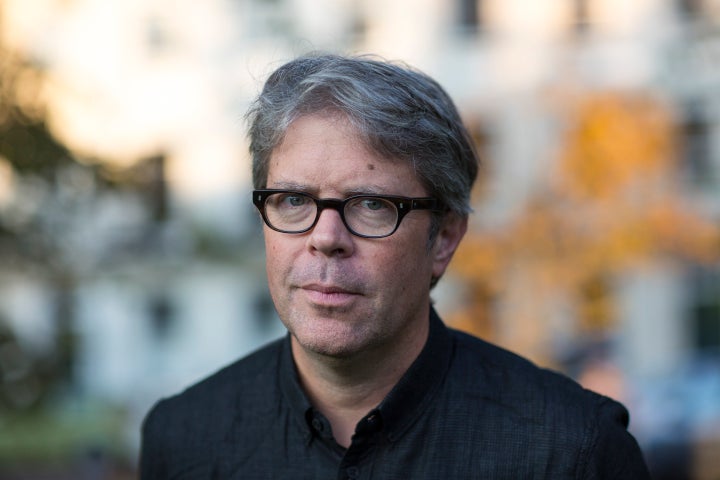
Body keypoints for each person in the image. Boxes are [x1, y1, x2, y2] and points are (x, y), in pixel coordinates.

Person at [140, 53, 651, 479]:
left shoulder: (572, 451)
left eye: (371, 205)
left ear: (444, 238)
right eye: (293, 200)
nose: (325, 239)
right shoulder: (183, 439)